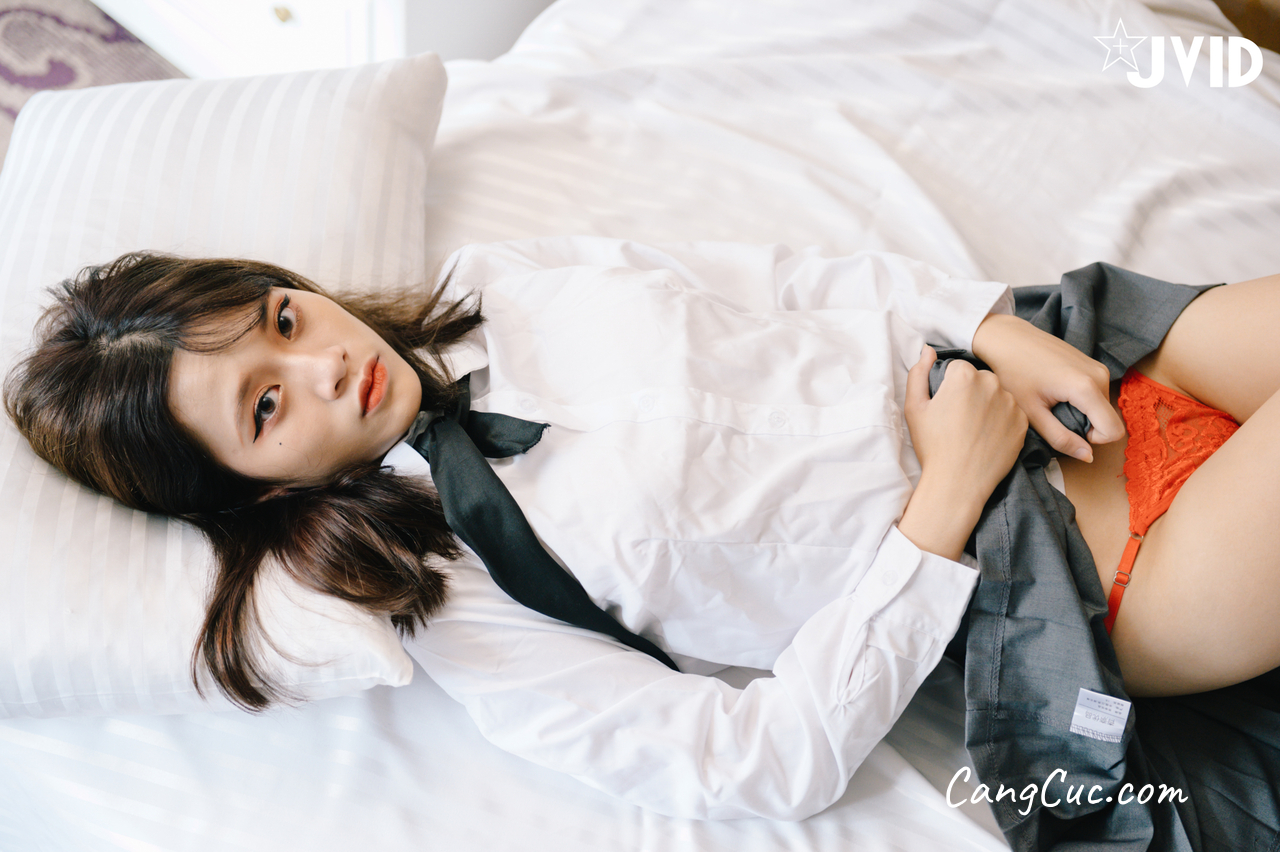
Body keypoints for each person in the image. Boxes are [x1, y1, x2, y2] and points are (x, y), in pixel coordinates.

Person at [3, 236, 1275, 823]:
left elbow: (789, 280)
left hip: (1076, 357)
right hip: (1089, 578)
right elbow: (753, 767)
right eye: (267, 406)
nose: (325, 363)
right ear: (244, 492)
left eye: (283, 320)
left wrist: (987, 324)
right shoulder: (453, 601)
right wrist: (943, 501)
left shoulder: (507, 282)